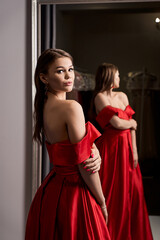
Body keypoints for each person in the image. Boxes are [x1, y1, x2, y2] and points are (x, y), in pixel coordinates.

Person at [25, 49, 111, 240]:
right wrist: (102, 202)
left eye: (70, 69)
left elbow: (71, 147)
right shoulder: (71, 107)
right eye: (60, 71)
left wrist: (92, 148)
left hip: (51, 192)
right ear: (44, 78)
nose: (68, 76)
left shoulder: (44, 105)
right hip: (74, 194)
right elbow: (83, 163)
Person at [91, 63, 153, 240]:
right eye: (117, 75)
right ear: (109, 76)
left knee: (133, 191)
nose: (119, 78)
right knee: (113, 193)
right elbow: (118, 124)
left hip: (127, 148)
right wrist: (132, 123)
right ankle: (110, 234)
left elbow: (131, 127)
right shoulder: (99, 97)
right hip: (111, 149)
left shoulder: (123, 95)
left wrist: (134, 150)